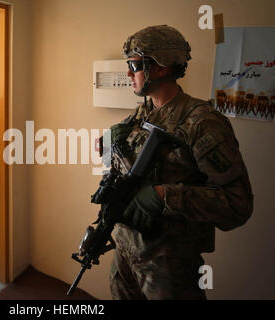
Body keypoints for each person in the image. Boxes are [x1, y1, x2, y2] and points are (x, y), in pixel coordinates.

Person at [108, 25, 253, 300]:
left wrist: (164, 196)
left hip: (170, 264)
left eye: (135, 65)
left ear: (161, 67)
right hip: (127, 249)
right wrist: (108, 146)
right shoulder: (143, 112)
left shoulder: (202, 122)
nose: (129, 73)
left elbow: (238, 203)